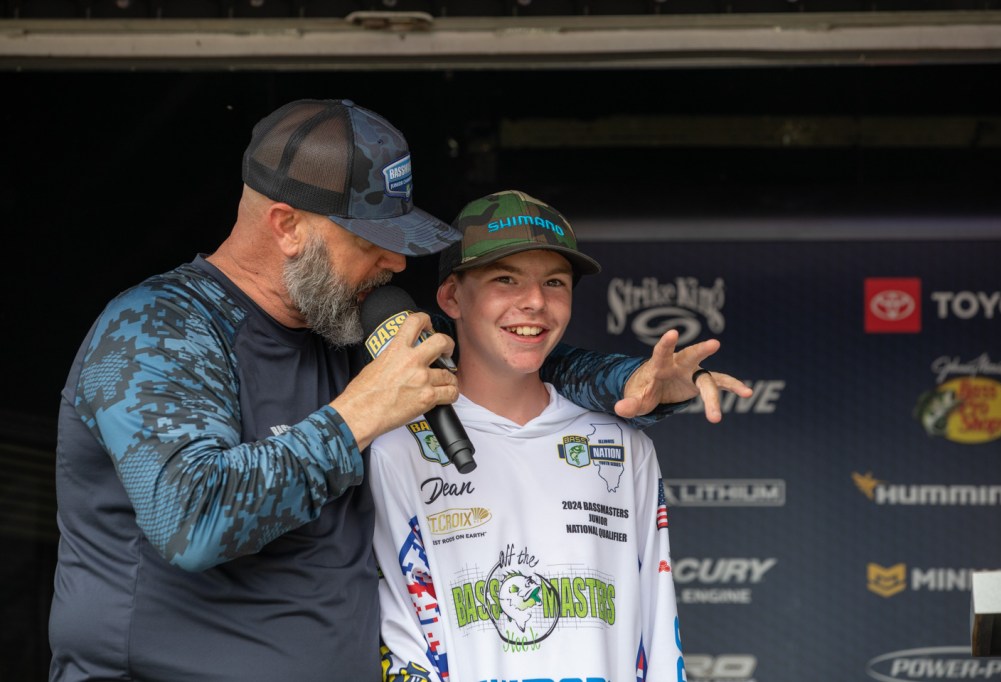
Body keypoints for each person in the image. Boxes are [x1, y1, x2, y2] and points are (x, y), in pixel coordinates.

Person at [49, 99, 748, 682]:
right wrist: (354, 417)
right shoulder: (156, 327)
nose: (393, 260)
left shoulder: (344, 325)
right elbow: (192, 518)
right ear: (287, 226)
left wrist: (632, 382)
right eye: (370, 240)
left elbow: (497, 356)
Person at [369, 190, 688, 682]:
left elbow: (659, 631)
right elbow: (402, 635)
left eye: (554, 282)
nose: (536, 302)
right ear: (451, 297)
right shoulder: (397, 448)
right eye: (506, 279)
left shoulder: (623, 447)